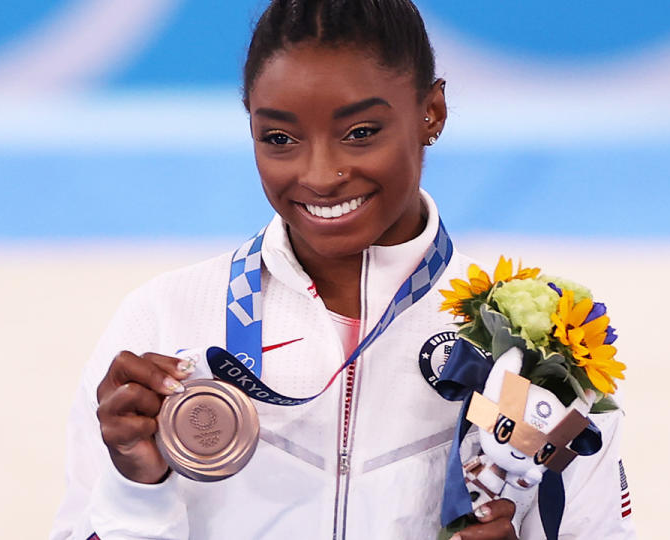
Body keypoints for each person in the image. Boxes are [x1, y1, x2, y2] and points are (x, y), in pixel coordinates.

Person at [50, 1, 635, 539]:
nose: (320, 174)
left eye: (360, 133)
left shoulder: (541, 346)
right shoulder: (164, 319)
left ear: (431, 112)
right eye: (279, 138)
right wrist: (136, 490)